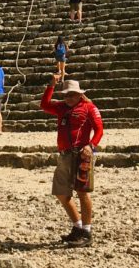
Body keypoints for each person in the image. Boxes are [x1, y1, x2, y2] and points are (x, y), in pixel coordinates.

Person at [41, 76, 103, 246]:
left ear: (79, 95)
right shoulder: (61, 107)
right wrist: (51, 86)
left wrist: (92, 146)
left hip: (81, 155)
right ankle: (78, 227)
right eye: (66, 95)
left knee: (83, 192)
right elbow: (44, 105)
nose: (69, 98)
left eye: (72, 95)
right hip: (64, 155)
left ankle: (87, 232)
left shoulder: (89, 107)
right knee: (61, 192)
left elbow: (99, 129)